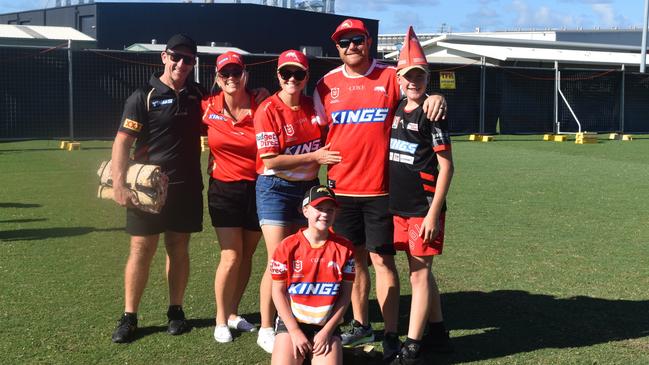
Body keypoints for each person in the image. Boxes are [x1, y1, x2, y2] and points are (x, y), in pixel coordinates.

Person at [313, 18, 447, 361]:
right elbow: (316, 131)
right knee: (354, 261)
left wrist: (436, 96)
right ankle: (361, 323)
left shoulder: (388, 75)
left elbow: (416, 85)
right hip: (341, 190)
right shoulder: (325, 85)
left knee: (384, 261)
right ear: (337, 47)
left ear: (368, 42)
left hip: (382, 191)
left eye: (357, 39)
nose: (351, 46)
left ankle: (390, 334)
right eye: (344, 42)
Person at [110, 34, 205, 343]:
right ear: (164, 56)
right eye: (175, 57)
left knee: (178, 249)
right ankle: (129, 316)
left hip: (186, 187)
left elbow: (228, 112)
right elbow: (122, 142)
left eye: (188, 59)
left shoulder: (199, 95)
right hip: (146, 190)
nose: (181, 63)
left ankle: (176, 311)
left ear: (193, 63)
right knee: (141, 250)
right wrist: (120, 184)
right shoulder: (143, 95)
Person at [254, 49, 342, 353]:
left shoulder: (314, 106)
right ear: (278, 75)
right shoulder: (267, 109)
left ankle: (304, 317)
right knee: (277, 258)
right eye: (285, 73)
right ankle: (268, 326)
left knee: (306, 255)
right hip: (275, 188)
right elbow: (271, 159)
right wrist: (315, 156)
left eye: (298, 74)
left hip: (308, 189)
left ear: (306, 77)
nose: (292, 79)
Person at [389, 27, 455, 365]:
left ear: (427, 77)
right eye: (408, 76)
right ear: (399, 78)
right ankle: (439, 335)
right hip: (399, 208)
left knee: (418, 274)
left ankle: (412, 349)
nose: (413, 81)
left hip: (423, 209)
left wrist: (432, 215)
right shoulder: (398, 107)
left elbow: (447, 167)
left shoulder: (433, 113)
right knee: (421, 273)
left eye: (420, 76)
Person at [201, 51, 263, 343]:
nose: (230, 78)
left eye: (235, 73)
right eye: (225, 74)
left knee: (247, 255)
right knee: (231, 255)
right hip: (223, 189)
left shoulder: (262, 104)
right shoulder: (207, 106)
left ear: (245, 75)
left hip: (258, 188)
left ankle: (234, 313)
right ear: (217, 77)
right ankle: (220, 318)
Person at [270, 185, 354, 365]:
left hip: (326, 325)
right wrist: (293, 330)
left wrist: (327, 332)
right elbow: (278, 292)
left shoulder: (345, 248)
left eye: (330, 210)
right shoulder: (286, 246)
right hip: (292, 322)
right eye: (319, 209)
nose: (324, 214)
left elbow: (345, 296)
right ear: (305, 210)